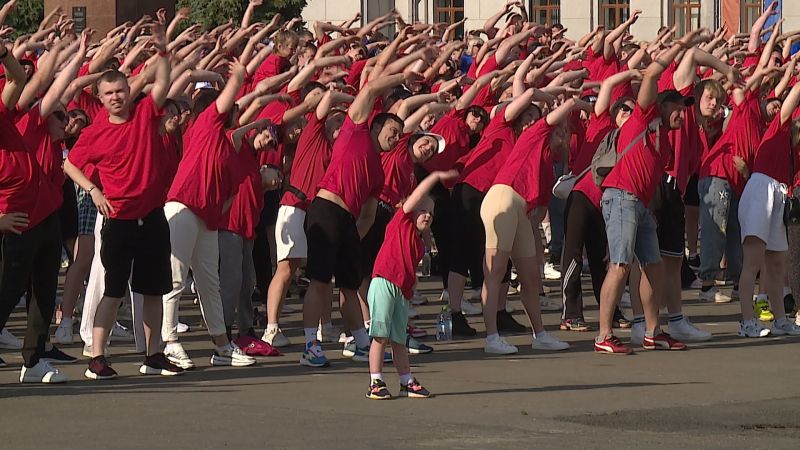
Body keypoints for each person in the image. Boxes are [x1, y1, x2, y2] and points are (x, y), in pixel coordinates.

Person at [63, 24, 183, 379]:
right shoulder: (94, 132)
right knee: (113, 289)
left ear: (128, 92)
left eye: (120, 90)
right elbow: (68, 164)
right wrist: (93, 189)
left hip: (153, 216)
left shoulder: (145, 113)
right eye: (109, 93)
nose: (116, 96)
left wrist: (162, 50)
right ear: (99, 97)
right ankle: (97, 357)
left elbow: (161, 83)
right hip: (119, 220)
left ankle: (154, 354)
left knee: (153, 290)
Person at [593, 30, 706, 355]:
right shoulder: (644, 115)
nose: (681, 113)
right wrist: (682, 45)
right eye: (677, 107)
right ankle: (604, 335)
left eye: (685, 109)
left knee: (654, 266)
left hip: (639, 205)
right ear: (661, 104)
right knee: (619, 265)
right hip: (620, 197)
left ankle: (653, 331)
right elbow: (654, 72)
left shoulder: (666, 142)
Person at [300, 70, 418, 367]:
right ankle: (310, 345)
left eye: (399, 135)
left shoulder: (378, 172)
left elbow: (367, 215)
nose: (395, 137)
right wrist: (402, 74)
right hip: (325, 209)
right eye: (392, 130)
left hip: (347, 222)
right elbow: (371, 88)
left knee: (350, 286)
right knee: (319, 281)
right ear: (376, 125)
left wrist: (353, 239)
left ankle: (360, 342)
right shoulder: (355, 131)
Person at [479, 95, 584, 354]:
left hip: (520, 209)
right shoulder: (534, 134)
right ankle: (492, 337)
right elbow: (568, 106)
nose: (561, 134)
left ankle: (540, 334)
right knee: (495, 271)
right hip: (502, 197)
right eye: (558, 130)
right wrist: (579, 105)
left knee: (531, 277)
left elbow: (540, 212)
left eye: (564, 132)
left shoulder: (548, 163)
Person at [0, 41, 67, 382]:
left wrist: (3, 51)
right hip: (15, 219)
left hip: (45, 213)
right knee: (7, 290)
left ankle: (34, 359)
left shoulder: (3, 113)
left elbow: (18, 79)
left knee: (43, 289)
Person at [365, 170, 456, 400]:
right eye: (422, 211)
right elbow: (416, 196)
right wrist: (435, 176)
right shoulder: (400, 222)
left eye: (431, 214)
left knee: (398, 340)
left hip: (400, 291)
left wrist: (409, 290)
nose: (427, 216)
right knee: (380, 336)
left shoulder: (417, 242)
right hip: (384, 282)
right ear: (411, 210)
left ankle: (406, 381)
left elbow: (409, 270)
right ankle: (375, 381)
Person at [736, 78, 800, 337]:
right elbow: (793, 96)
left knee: (777, 263)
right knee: (753, 261)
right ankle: (747, 321)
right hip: (761, 190)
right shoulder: (780, 129)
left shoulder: (795, 154)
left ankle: (780, 319)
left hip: (779, 195)